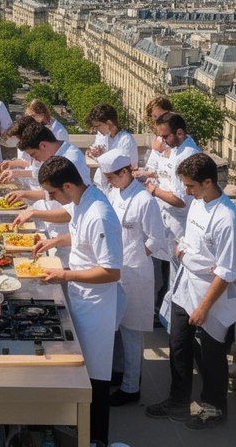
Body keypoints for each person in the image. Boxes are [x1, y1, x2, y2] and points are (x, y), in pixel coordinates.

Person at [147, 153, 236, 430]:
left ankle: (215, 408)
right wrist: (182, 245)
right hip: (185, 285)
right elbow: (192, 239)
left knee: (213, 355)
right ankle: (178, 400)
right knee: (178, 346)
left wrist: (204, 307)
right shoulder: (197, 203)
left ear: (208, 181)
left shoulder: (228, 219)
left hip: (210, 293)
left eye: (190, 186)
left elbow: (225, 271)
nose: (186, 192)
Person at [30, 156, 123, 446]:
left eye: (54, 194)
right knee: (81, 370)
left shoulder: (100, 213)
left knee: (95, 377)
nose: (52, 199)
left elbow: (111, 271)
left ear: (68, 185)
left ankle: (97, 438)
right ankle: (79, 429)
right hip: (81, 294)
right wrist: (54, 242)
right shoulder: (83, 201)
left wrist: (66, 275)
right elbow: (81, 237)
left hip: (97, 305)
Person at [95, 149, 168, 406]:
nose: (109, 182)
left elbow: (157, 239)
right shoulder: (115, 193)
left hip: (135, 273)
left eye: (112, 177)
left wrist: (137, 254)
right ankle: (118, 373)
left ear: (125, 172)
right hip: (116, 269)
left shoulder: (145, 201)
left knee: (132, 331)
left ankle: (131, 387)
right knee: (116, 326)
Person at [2, 120, 92, 266]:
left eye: (34, 154)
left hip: (67, 232)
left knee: (64, 270)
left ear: (43, 145)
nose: (34, 159)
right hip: (55, 225)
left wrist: (34, 212)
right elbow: (49, 193)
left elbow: (71, 212)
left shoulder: (70, 160)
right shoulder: (56, 154)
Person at [143, 112, 198, 309]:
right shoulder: (175, 149)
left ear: (180, 133)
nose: (163, 142)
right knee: (172, 277)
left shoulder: (187, 156)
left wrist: (153, 190)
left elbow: (180, 200)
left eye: (166, 137)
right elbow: (168, 175)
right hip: (169, 219)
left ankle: (179, 322)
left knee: (179, 278)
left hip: (181, 224)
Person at [85, 104, 137, 193]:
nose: (97, 129)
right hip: (100, 184)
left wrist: (100, 158)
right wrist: (92, 153)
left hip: (115, 188)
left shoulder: (126, 140)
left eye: (98, 126)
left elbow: (123, 169)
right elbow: (90, 153)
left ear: (109, 123)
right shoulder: (102, 136)